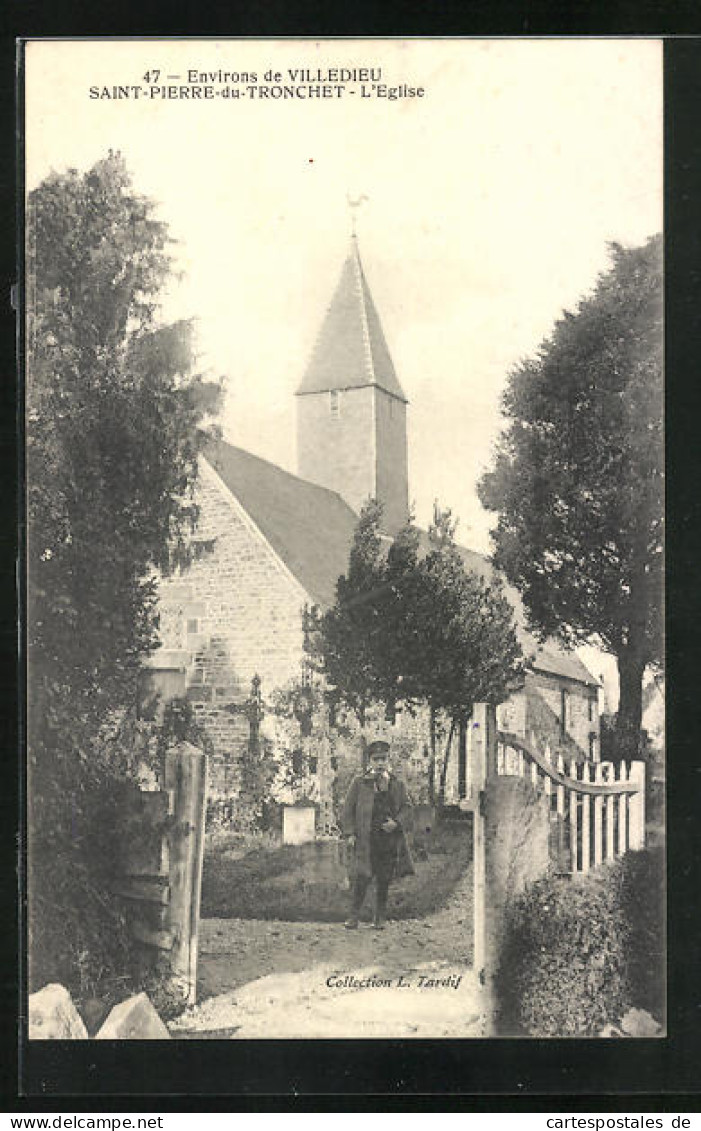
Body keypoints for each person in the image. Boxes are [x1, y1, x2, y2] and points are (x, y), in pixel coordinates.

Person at [341, 739, 414, 930]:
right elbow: (348, 809)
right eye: (376, 759)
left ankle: (379, 917)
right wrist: (349, 833)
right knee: (362, 876)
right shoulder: (359, 783)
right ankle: (353, 916)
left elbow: (407, 808)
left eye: (384, 759)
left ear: (388, 760)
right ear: (369, 761)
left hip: (388, 840)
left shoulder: (397, 784)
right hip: (366, 838)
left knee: (384, 878)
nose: (380, 763)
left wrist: (396, 823)